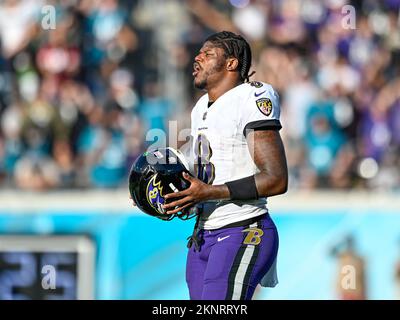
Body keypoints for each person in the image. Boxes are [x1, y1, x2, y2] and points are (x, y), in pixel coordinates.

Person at [162, 31, 288, 300]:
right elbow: (207, 170)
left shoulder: (251, 96)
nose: (197, 58)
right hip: (204, 235)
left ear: (231, 63)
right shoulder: (200, 108)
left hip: (242, 228)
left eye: (207, 54)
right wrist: (162, 188)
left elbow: (276, 179)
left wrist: (209, 193)